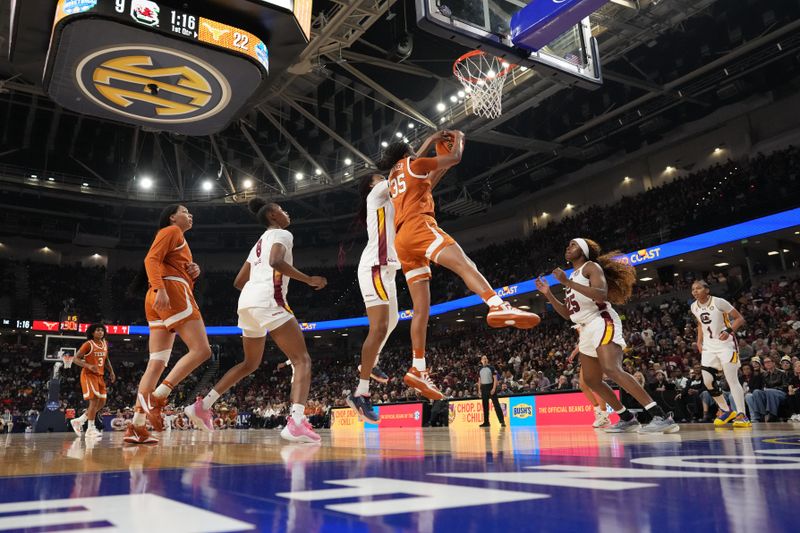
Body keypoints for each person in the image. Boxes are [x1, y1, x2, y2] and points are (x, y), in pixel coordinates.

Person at [378, 130, 540, 400]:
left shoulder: (396, 175)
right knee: (465, 264)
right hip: (419, 226)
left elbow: (431, 179)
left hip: (402, 241)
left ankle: (418, 368)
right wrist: (458, 136)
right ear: (409, 153)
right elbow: (453, 159)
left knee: (421, 310)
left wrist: (432, 142)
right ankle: (497, 305)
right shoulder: (414, 164)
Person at [187, 198, 326, 443]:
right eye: (281, 210)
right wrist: (308, 280)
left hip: (247, 302)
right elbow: (276, 262)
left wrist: (259, 288)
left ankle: (203, 405)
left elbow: (239, 282)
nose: (286, 213)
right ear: (272, 215)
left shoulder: (258, 242)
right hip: (268, 299)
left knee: (249, 364)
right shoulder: (283, 234)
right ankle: (295, 422)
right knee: (302, 360)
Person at [536, 238, 679, 433]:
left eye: (573, 245)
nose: (568, 247)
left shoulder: (590, 267)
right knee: (591, 380)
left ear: (584, 250)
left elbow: (601, 295)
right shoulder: (573, 278)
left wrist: (567, 281)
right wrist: (548, 294)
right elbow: (569, 315)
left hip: (601, 320)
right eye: (567, 244)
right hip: (585, 328)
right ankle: (627, 418)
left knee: (612, 368)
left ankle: (660, 416)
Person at [124, 204, 209, 445]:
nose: (190, 214)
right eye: (185, 211)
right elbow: (151, 258)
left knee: (156, 364)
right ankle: (159, 397)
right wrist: (161, 287)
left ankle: (136, 426)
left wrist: (193, 271)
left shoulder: (178, 240)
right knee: (202, 351)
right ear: (172, 217)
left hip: (157, 297)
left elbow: (167, 263)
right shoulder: (172, 231)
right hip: (170, 292)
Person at [346, 173, 401, 422]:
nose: (385, 177)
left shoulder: (390, 200)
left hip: (387, 268)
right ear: (372, 183)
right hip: (374, 267)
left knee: (393, 321)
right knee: (378, 328)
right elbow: (405, 175)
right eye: (380, 176)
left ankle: (370, 363)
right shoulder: (376, 193)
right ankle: (361, 392)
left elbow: (414, 181)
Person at [690, 280, 751, 428]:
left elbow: (739, 318)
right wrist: (699, 341)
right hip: (709, 347)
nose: (695, 291)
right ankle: (725, 410)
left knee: (732, 379)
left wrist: (729, 330)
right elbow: (700, 323)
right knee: (707, 381)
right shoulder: (693, 306)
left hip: (726, 345)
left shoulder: (719, 302)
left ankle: (742, 415)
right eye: (693, 289)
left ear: (707, 290)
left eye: (698, 288)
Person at [70, 324, 115, 439]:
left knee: (102, 403)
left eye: (102, 330)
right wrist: (88, 366)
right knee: (94, 402)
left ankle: (79, 420)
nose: (100, 332)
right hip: (89, 375)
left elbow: (106, 359)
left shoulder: (105, 343)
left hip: (100, 376)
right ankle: (90, 429)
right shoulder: (88, 344)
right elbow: (75, 359)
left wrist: (111, 371)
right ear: (92, 333)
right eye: (98, 330)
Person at [568, 341, 610, 428]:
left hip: (596, 353)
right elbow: (584, 340)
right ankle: (599, 412)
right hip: (586, 355)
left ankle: (604, 415)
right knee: (583, 385)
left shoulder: (592, 327)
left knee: (597, 385)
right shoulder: (582, 330)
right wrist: (574, 353)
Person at [746, 356, 789, 422]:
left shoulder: (782, 373)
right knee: (756, 392)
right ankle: (763, 414)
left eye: (769, 362)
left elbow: (785, 386)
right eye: (765, 362)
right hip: (768, 393)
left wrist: (773, 389)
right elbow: (763, 387)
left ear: (774, 363)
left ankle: (772, 414)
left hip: (781, 393)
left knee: (769, 391)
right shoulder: (764, 375)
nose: (767, 363)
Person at [477, 355, 505, 427]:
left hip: (490, 386)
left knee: (496, 405)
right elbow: (479, 381)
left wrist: (493, 388)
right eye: (483, 359)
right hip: (484, 388)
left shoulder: (491, 368)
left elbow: (495, 379)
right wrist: (479, 390)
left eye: (486, 358)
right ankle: (486, 422)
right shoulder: (479, 369)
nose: (485, 360)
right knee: (485, 406)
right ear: (481, 361)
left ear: (487, 360)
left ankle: (502, 421)